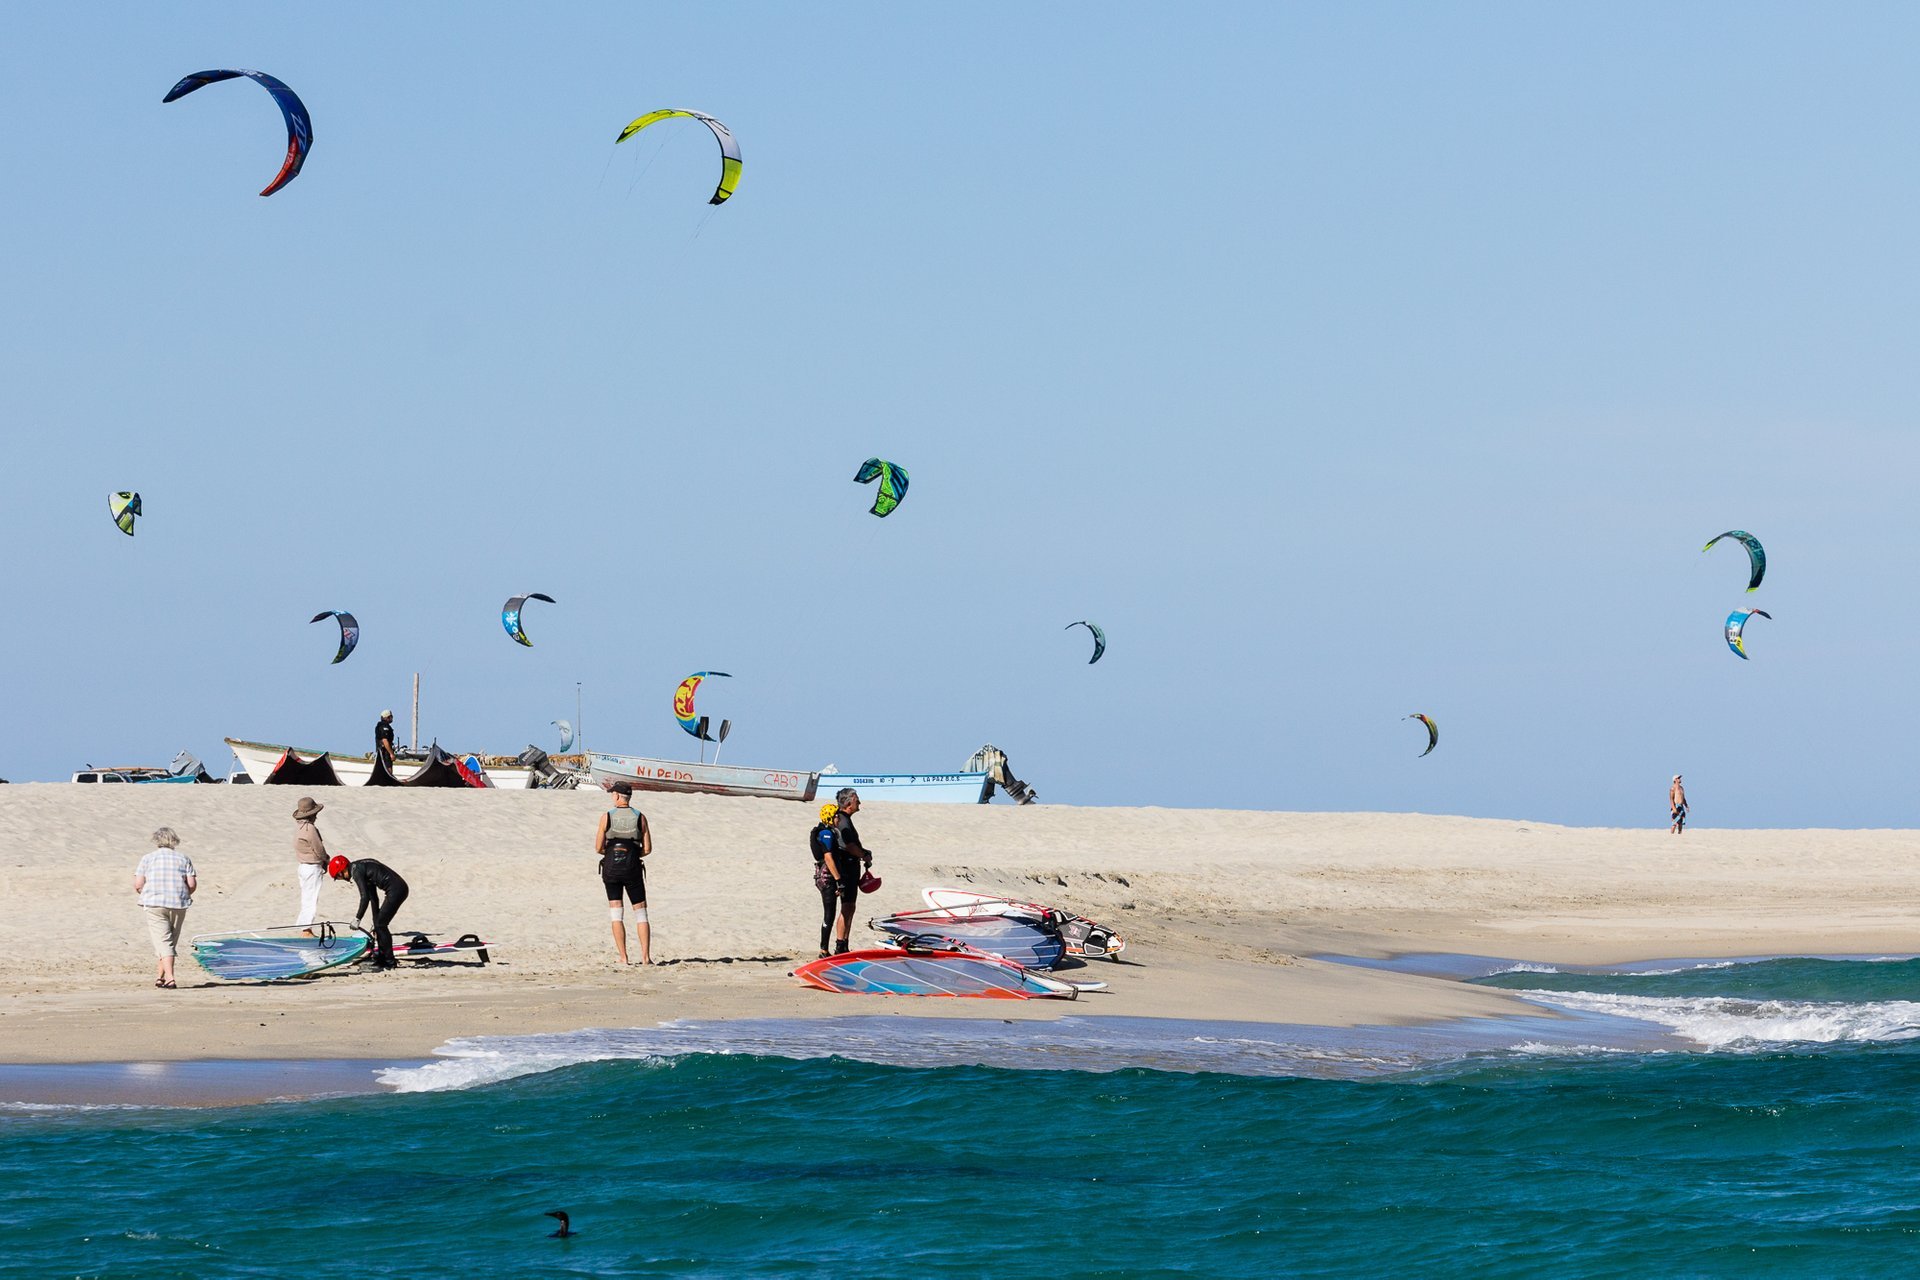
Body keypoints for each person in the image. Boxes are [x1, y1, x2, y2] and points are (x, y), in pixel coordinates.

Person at [594, 782, 652, 965]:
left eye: (613, 794)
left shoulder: (606, 817)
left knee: (616, 913)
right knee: (641, 913)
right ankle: (645, 957)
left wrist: (612, 854)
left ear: (618, 796)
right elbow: (648, 849)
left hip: (611, 869)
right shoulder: (640, 817)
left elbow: (598, 848)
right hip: (632, 868)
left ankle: (624, 957)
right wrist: (633, 854)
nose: (612, 796)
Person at [133, 827, 196, 989]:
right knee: (168, 941)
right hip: (178, 903)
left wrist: (145, 892)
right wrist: (184, 894)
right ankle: (160, 976)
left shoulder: (147, 858)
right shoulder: (183, 858)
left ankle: (170, 978)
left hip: (155, 903)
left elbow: (138, 884)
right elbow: (192, 885)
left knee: (163, 941)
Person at [329, 854, 409, 969]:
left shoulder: (356, 872)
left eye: (338, 877)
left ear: (341, 871)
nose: (341, 879)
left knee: (381, 925)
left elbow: (364, 897)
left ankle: (390, 962)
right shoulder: (360, 867)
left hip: (397, 890)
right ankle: (381, 959)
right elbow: (373, 898)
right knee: (378, 924)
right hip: (398, 888)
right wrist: (374, 921)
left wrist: (358, 918)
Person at [810, 802, 855, 957]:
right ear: (830, 817)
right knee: (829, 914)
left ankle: (826, 949)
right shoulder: (826, 834)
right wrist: (839, 880)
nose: (838, 818)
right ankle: (823, 950)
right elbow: (828, 858)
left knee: (830, 912)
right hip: (827, 878)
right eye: (836, 816)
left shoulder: (826, 832)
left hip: (826, 877)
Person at [292, 796, 328, 932]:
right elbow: (318, 849)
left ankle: (304, 928)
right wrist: (326, 860)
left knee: (306, 898)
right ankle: (306, 930)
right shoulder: (310, 828)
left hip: (302, 866)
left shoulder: (299, 828)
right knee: (311, 900)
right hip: (312, 867)